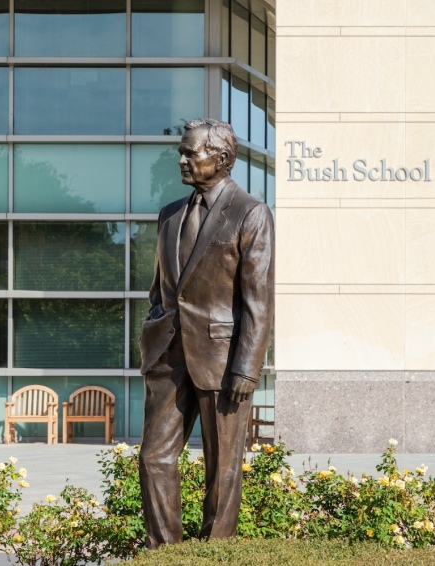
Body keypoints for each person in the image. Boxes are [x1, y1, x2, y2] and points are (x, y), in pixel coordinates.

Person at [137, 118, 274, 546]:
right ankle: (166, 553)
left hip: (223, 359)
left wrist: (247, 368)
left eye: (189, 152)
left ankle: (215, 552)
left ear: (221, 158)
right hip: (168, 357)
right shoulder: (170, 215)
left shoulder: (251, 212)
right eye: (181, 151)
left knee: (223, 467)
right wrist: (154, 327)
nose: (181, 159)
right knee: (153, 458)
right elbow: (160, 289)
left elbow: (258, 301)